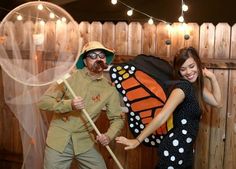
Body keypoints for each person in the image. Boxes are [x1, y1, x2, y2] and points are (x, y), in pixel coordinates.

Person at [116, 47, 222, 169]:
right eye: (183, 69)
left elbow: (217, 102)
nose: (188, 72)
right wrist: (138, 140)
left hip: (185, 151)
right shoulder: (183, 88)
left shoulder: (195, 87)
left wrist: (212, 77)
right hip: (174, 150)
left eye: (192, 66)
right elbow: (162, 116)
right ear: (178, 71)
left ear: (198, 64)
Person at [38, 41, 125, 169]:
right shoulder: (69, 78)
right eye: (93, 56)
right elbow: (43, 102)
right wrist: (69, 104)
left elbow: (117, 118)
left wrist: (108, 135)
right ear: (84, 61)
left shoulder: (109, 89)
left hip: (85, 142)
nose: (98, 59)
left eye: (101, 56)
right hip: (59, 140)